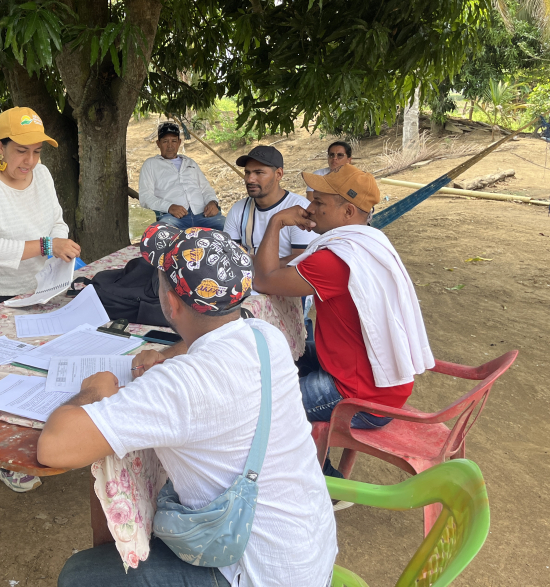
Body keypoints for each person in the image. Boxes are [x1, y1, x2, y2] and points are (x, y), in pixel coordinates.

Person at [39, 224, 337, 587]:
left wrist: (93, 390)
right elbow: (207, 342)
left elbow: (55, 447)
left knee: (81, 575)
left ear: (170, 302)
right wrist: (164, 353)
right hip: (307, 553)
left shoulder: (181, 385)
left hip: (256, 575)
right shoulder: (264, 336)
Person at [251, 165, 434, 476]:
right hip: (385, 384)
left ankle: (325, 481)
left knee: (258, 408)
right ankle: (310, 456)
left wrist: (277, 221)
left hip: (358, 397)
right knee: (285, 352)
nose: (310, 209)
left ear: (348, 211)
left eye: (320, 203)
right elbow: (281, 267)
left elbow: (264, 279)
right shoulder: (369, 243)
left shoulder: (334, 259)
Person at [0, 105, 80, 492]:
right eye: (20, 151)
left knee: (38, 371)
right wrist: (47, 244)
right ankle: (7, 458)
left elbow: (57, 220)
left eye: (37, 151)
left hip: (42, 286)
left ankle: (37, 445)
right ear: (0, 146)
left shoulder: (41, 175)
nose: (29, 161)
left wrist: (60, 246)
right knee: (0, 378)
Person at [224, 145, 317, 261]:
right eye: (247, 172)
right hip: (246, 276)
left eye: (259, 172)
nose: (250, 179)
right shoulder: (239, 209)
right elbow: (228, 253)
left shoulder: (300, 208)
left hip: (284, 276)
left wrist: (255, 263)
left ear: (279, 174)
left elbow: (302, 260)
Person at [138, 122, 224, 230]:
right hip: (172, 217)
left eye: (174, 141)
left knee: (231, 230)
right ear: (158, 143)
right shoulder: (150, 164)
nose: (170, 145)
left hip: (203, 215)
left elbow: (206, 189)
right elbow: (145, 197)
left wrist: (212, 202)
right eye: (165, 141)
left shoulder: (190, 163)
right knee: (161, 235)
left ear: (179, 142)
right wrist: (169, 207)